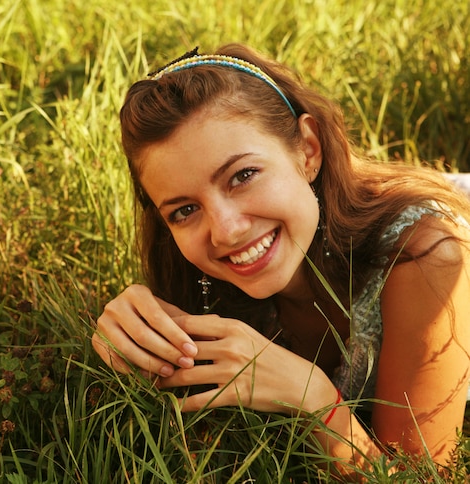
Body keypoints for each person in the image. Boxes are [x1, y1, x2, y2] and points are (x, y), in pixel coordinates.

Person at [91, 43, 470, 478]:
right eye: (184, 210)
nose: (225, 230)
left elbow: (423, 477)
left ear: (307, 151)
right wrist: (133, 328)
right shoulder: (200, 275)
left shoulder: (426, 254)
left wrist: (314, 400)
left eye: (243, 176)